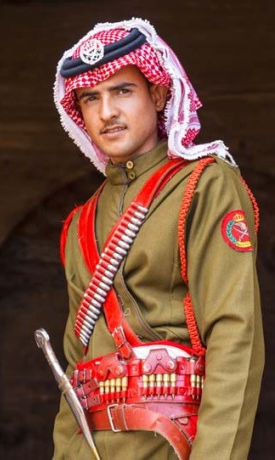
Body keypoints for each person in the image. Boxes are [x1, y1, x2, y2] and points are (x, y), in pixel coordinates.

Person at [52, 18, 264, 459]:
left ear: (159, 94)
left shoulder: (203, 185)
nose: (106, 111)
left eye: (122, 91)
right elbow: (74, 368)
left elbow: (234, 334)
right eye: (91, 98)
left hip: (172, 446)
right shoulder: (79, 223)